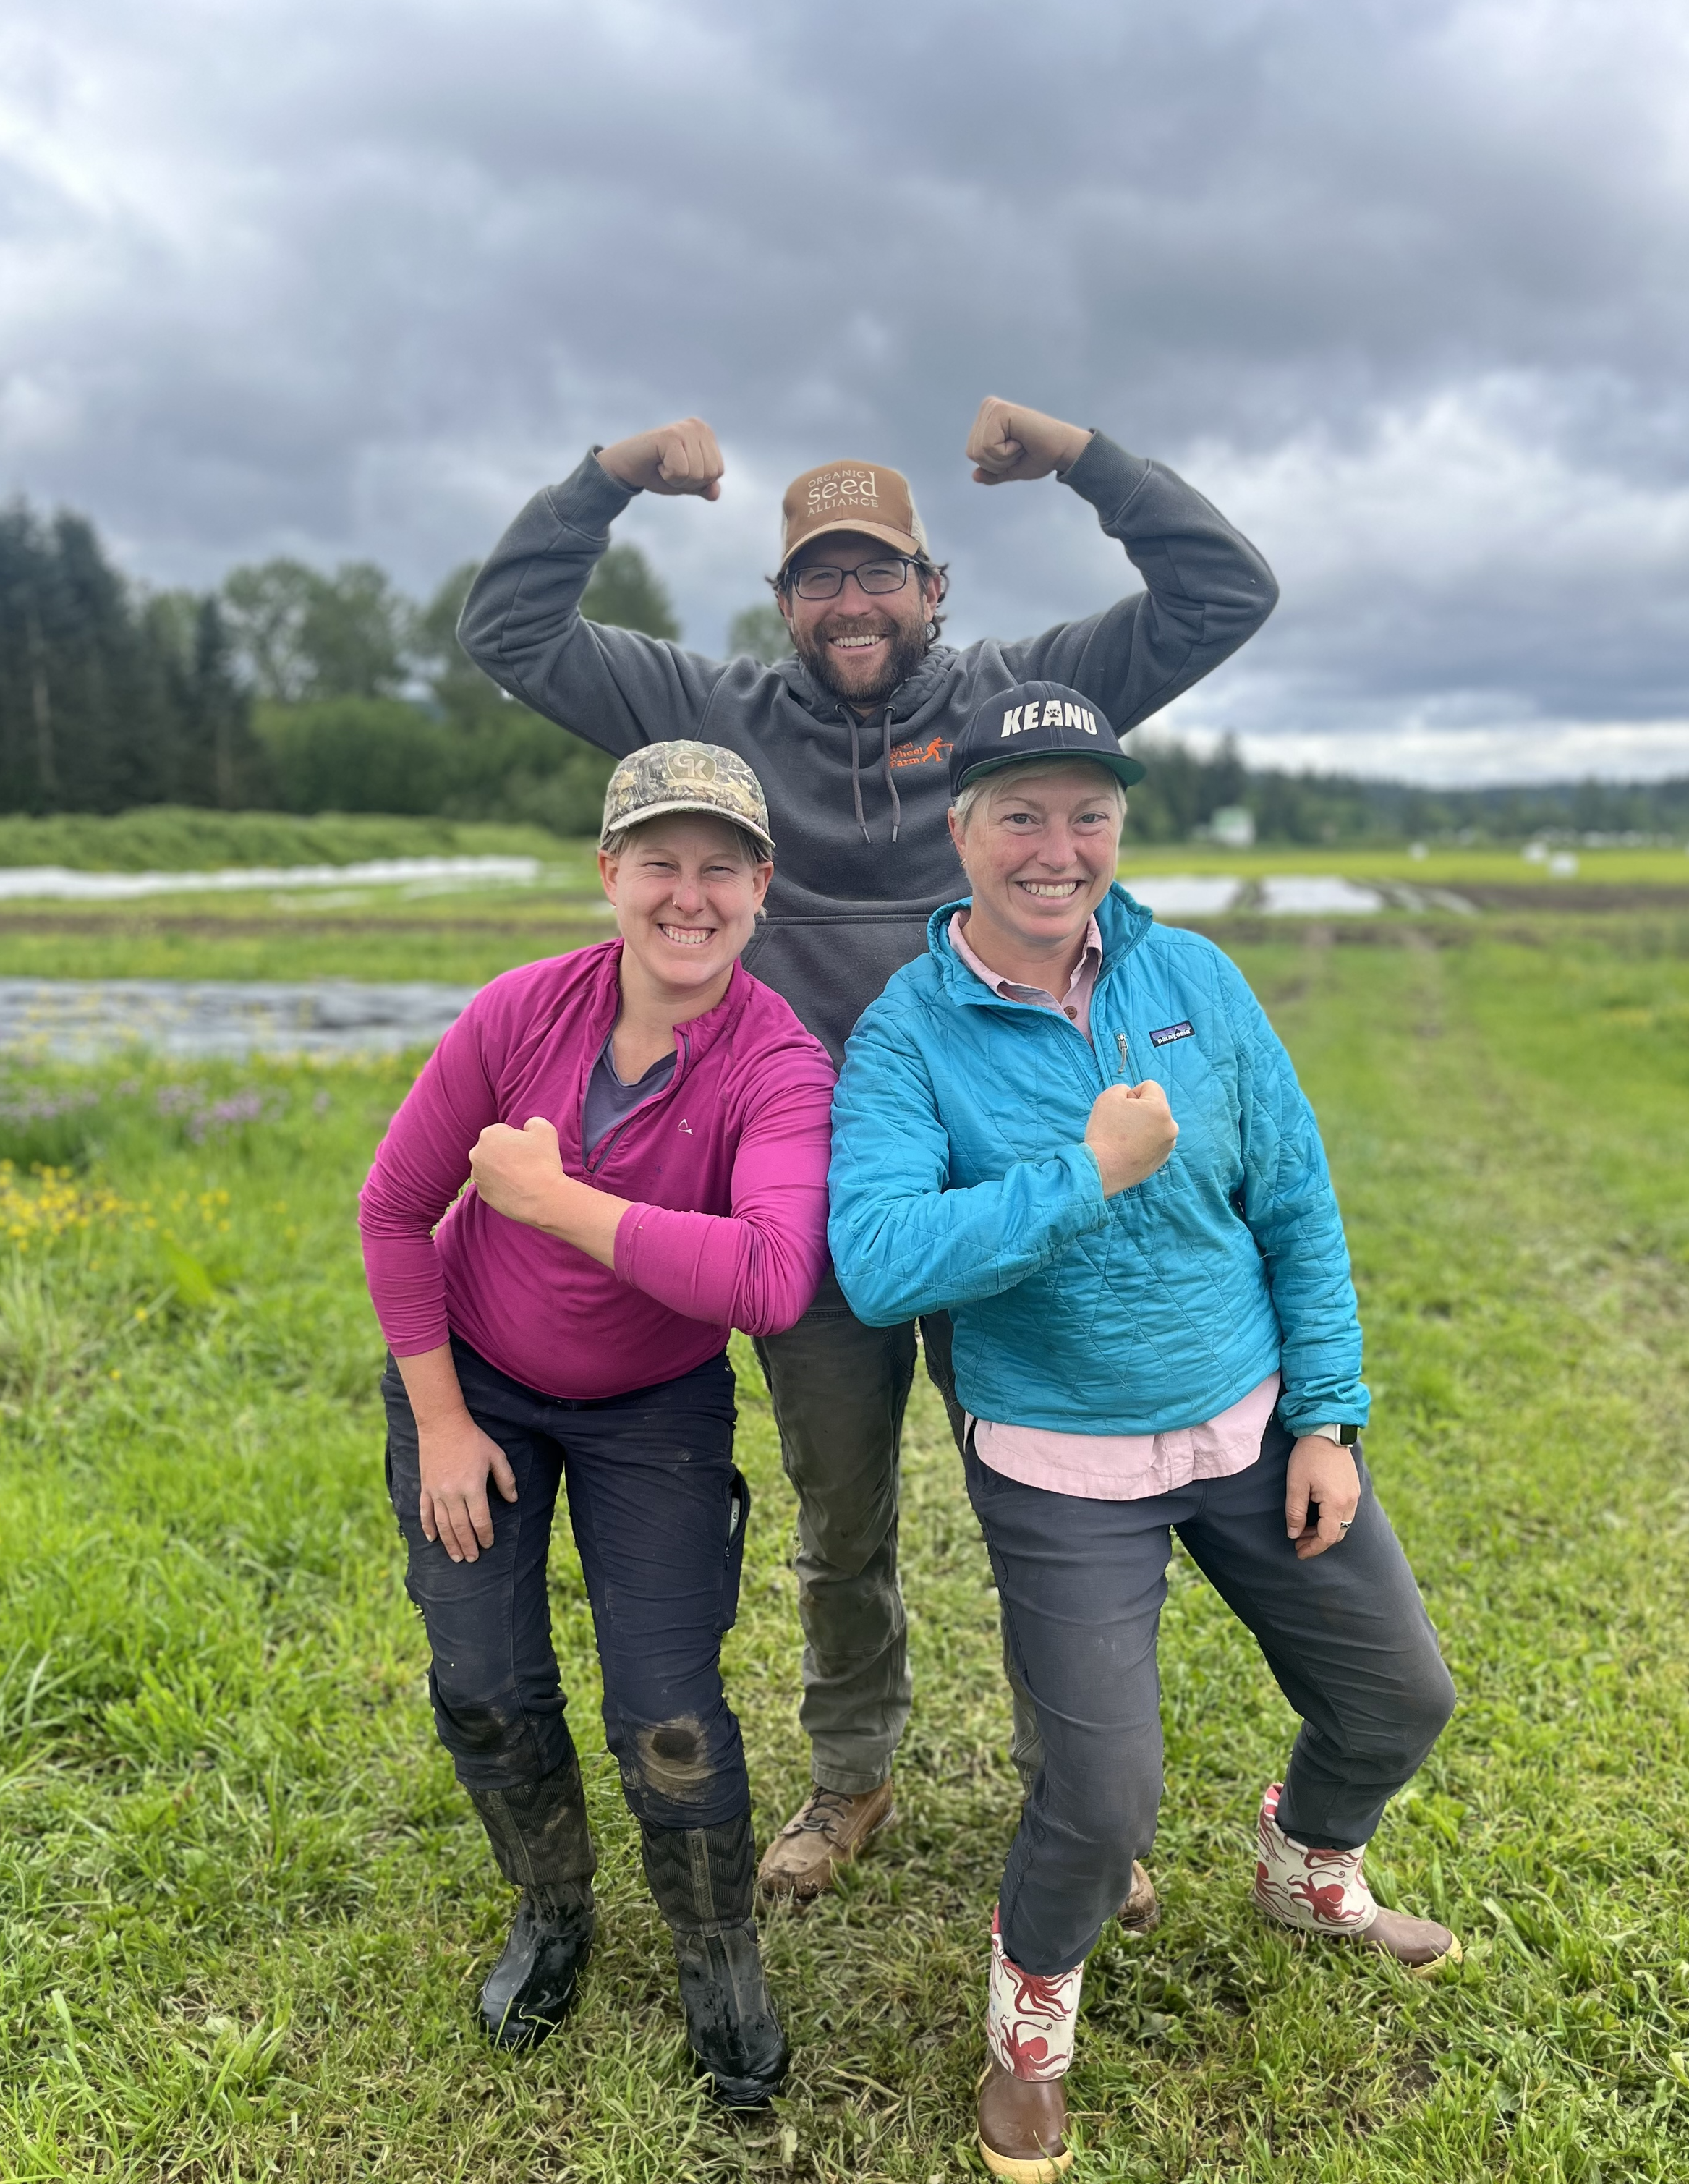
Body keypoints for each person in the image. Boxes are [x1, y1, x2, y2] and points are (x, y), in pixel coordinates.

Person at [458, 399, 1279, 1905]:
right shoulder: (711, 716)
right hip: (808, 1203)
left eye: (879, 572)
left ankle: (1079, 1803)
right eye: (819, 578)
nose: (852, 603)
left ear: (932, 585)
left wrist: (1084, 458)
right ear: (782, 606)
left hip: (1013, 1191)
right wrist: (612, 476)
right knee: (840, 1523)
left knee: (1049, 1506)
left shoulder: (1018, 692)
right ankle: (852, 1779)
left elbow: (1224, 595)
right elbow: (511, 631)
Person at [825, 686, 1460, 2180]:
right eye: (1022, 815)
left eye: (1088, 813)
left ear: (1118, 825)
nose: (1058, 848)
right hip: (1059, 1467)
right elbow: (879, 1260)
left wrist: (1326, 1419)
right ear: (960, 828)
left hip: (1247, 1431)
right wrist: (1082, 1173)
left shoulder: (1196, 981)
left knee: (1397, 1702)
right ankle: (1027, 2020)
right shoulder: (906, 1031)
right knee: (1102, 1802)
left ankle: (1307, 1869)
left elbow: (1294, 1205)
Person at [357, 742, 834, 2108]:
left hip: (654, 1407)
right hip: (480, 1380)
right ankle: (552, 1910)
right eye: (661, 863)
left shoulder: (779, 1062)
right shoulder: (519, 1012)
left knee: (669, 1712)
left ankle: (716, 1947)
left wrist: (553, 1199)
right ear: (610, 872)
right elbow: (396, 1210)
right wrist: (442, 1420)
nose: (690, 896)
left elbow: (769, 1275)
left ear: (761, 887)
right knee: (484, 1686)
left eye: (722, 868)